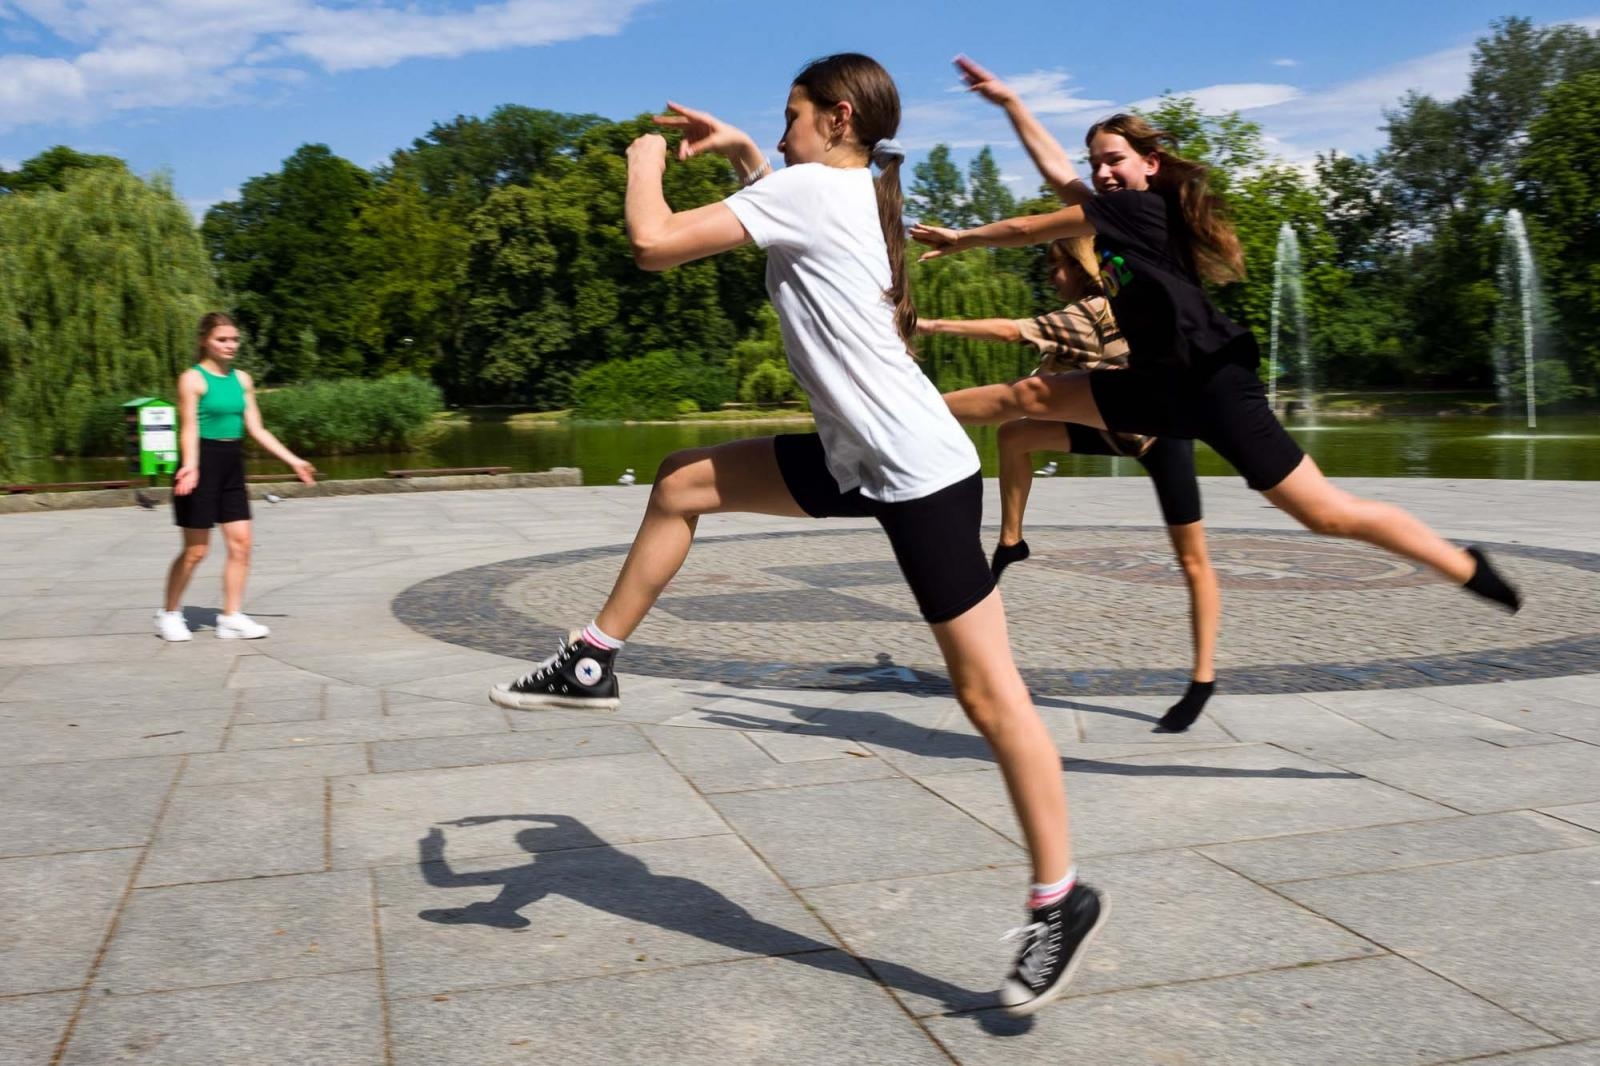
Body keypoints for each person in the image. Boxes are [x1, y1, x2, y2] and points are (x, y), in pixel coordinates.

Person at [487, 53, 1104, 1015]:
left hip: (921, 476)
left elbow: (651, 243)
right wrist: (737, 147)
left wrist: (642, 159)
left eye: (788, 117)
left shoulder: (818, 191)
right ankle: (592, 659)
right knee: (681, 484)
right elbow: (780, 204)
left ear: (837, 116)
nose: (780, 133)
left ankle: (1061, 897)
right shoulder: (843, 191)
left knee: (991, 696)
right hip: (857, 457)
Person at [910, 91, 1521, 619]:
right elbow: (1055, 175)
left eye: (1114, 161)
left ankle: (1460, 563)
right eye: (1095, 164)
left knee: (1325, 513)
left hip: (1213, 383)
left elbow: (1026, 229)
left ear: (1150, 164)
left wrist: (964, 237)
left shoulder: (1140, 209)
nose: (1101, 174)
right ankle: (906, 414)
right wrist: (1012, 103)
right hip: (1154, 384)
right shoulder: (1114, 214)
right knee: (1029, 399)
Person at [919, 236, 1219, 731]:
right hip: (1111, 424)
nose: (1050, 277)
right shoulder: (1095, 310)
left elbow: (1010, 332)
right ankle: (1011, 541)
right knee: (1015, 437)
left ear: (1078, 269)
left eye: (1055, 267)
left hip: (1162, 435)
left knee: (1193, 560)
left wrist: (931, 324)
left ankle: (1203, 680)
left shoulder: (1089, 314)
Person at [156, 312, 315, 641]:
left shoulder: (242, 380)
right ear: (204, 341)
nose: (230, 345)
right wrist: (191, 465)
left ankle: (230, 617)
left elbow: (256, 428)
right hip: (200, 462)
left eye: (234, 339)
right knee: (196, 551)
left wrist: (294, 460)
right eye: (222, 339)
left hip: (231, 463)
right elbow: (190, 427)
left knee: (241, 545)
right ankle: (170, 613)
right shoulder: (192, 379)